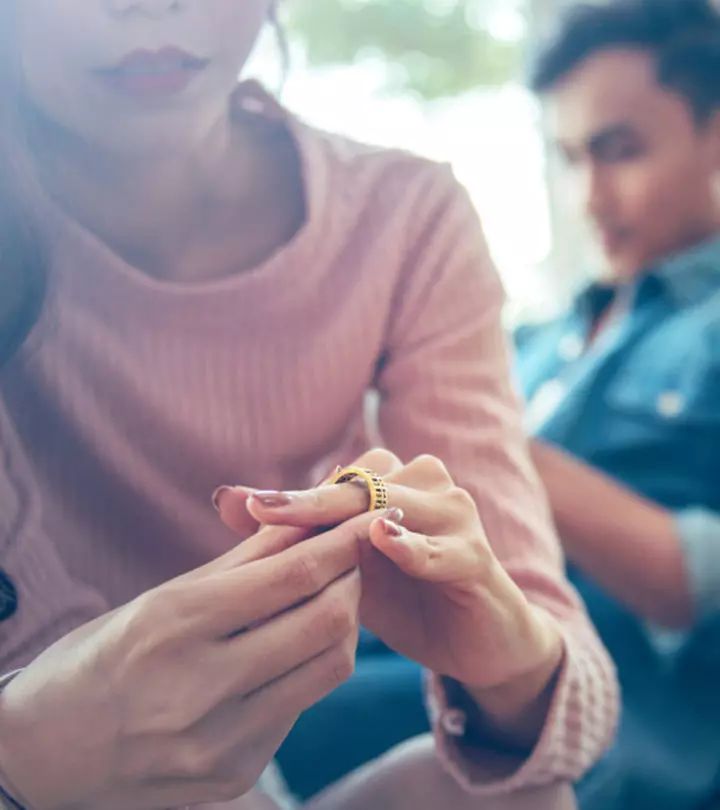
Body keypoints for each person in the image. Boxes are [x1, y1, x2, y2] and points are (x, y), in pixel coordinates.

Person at [0, 1, 617, 808]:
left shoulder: (403, 217)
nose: (151, 4)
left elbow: (573, 683)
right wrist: (25, 753)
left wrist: (509, 662)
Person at [516, 1, 720, 808]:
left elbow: (702, 581)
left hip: (620, 742)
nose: (589, 198)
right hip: (429, 665)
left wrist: (472, 432)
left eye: (620, 152)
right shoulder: (533, 344)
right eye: (569, 159)